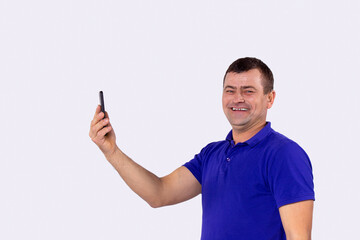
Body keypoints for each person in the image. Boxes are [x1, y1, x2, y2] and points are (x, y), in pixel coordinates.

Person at [89, 57, 315, 240]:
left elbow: (299, 236)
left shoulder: (284, 155)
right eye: (230, 90)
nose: (237, 99)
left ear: (270, 98)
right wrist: (112, 151)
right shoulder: (212, 155)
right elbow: (159, 193)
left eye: (248, 91)